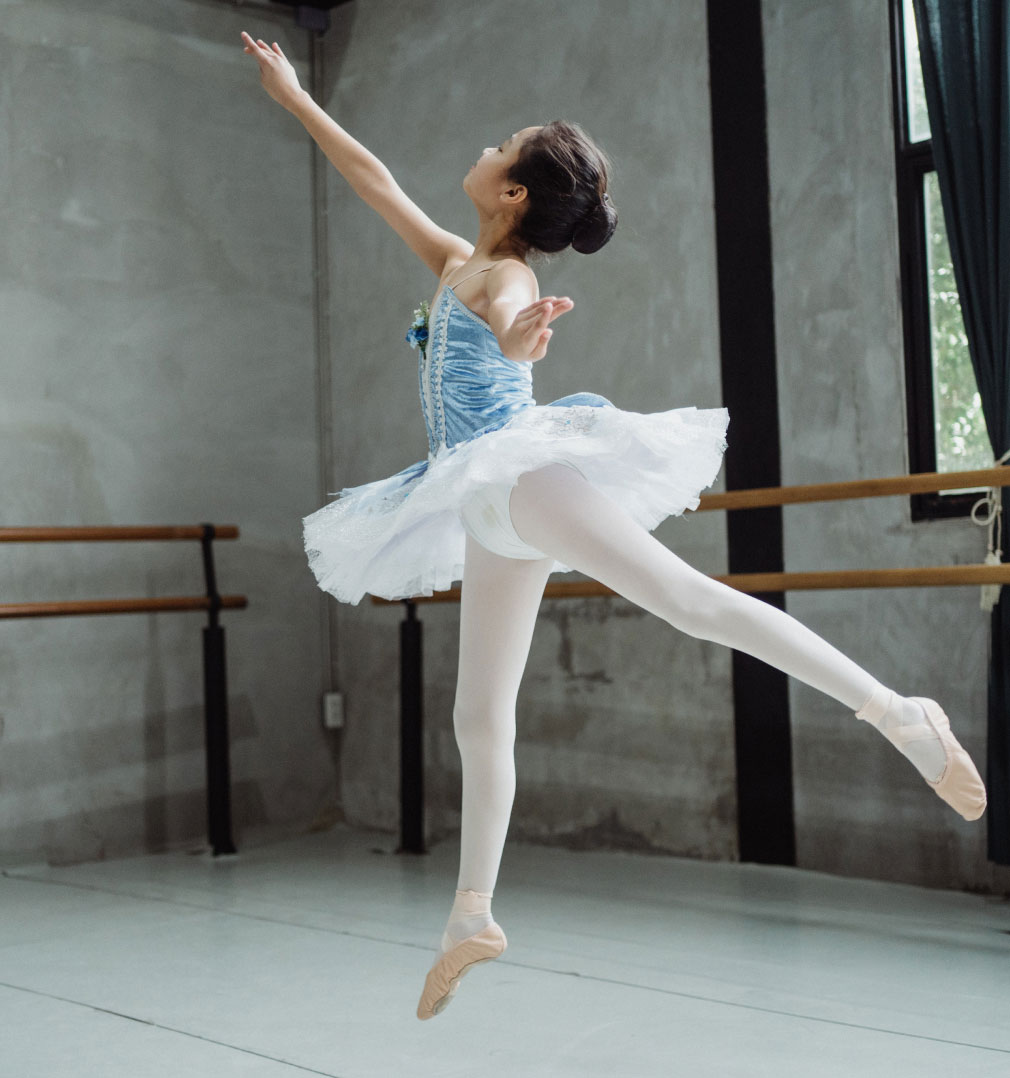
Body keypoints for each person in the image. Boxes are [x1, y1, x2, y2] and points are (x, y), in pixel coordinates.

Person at [240, 32, 987, 1021]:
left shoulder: (502, 279)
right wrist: (296, 99)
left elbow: (513, 325)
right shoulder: (457, 258)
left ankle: (897, 711)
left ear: (512, 192)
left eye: (500, 145)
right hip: (484, 506)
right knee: (478, 716)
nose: (483, 146)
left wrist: (522, 339)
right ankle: (470, 914)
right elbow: (373, 180)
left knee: (687, 600)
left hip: (520, 477)